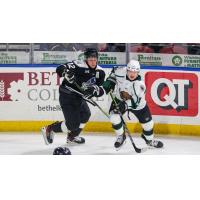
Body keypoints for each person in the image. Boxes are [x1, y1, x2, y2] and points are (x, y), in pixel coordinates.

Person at [41, 48, 105, 145]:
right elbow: (60, 68)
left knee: (85, 115)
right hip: (67, 94)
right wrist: (66, 73)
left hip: (79, 97)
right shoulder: (78, 65)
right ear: (86, 59)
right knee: (72, 124)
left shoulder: (100, 72)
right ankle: (50, 129)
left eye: (95, 59)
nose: (93, 62)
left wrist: (93, 91)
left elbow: (101, 89)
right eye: (90, 60)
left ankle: (72, 137)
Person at [103, 59, 164, 149]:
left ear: (138, 72)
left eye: (135, 72)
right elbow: (113, 75)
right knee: (114, 117)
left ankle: (149, 140)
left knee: (148, 124)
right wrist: (108, 85)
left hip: (138, 105)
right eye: (130, 71)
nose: (132, 74)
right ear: (126, 70)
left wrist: (123, 105)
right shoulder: (120, 71)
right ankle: (121, 136)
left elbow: (135, 103)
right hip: (119, 100)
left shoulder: (140, 85)